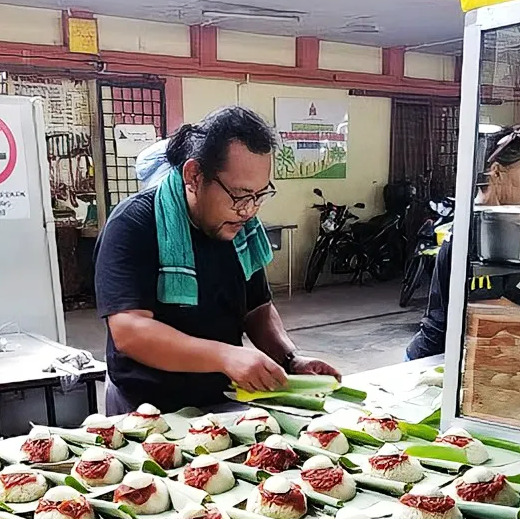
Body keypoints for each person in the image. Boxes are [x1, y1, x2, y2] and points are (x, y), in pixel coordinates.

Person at [95, 106, 340, 413]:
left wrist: (290, 359)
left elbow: (257, 308)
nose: (249, 210)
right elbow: (130, 332)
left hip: (222, 399)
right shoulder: (134, 223)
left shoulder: (241, 229)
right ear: (194, 176)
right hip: (146, 407)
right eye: (239, 195)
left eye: (259, 195)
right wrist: (225, 356)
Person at [406, 126, 520, 360]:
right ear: (497, 173)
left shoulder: (500, 225)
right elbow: (489, 308)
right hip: (438, 359)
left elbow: (514, 302)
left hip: (474, 356)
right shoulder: (475, 230)